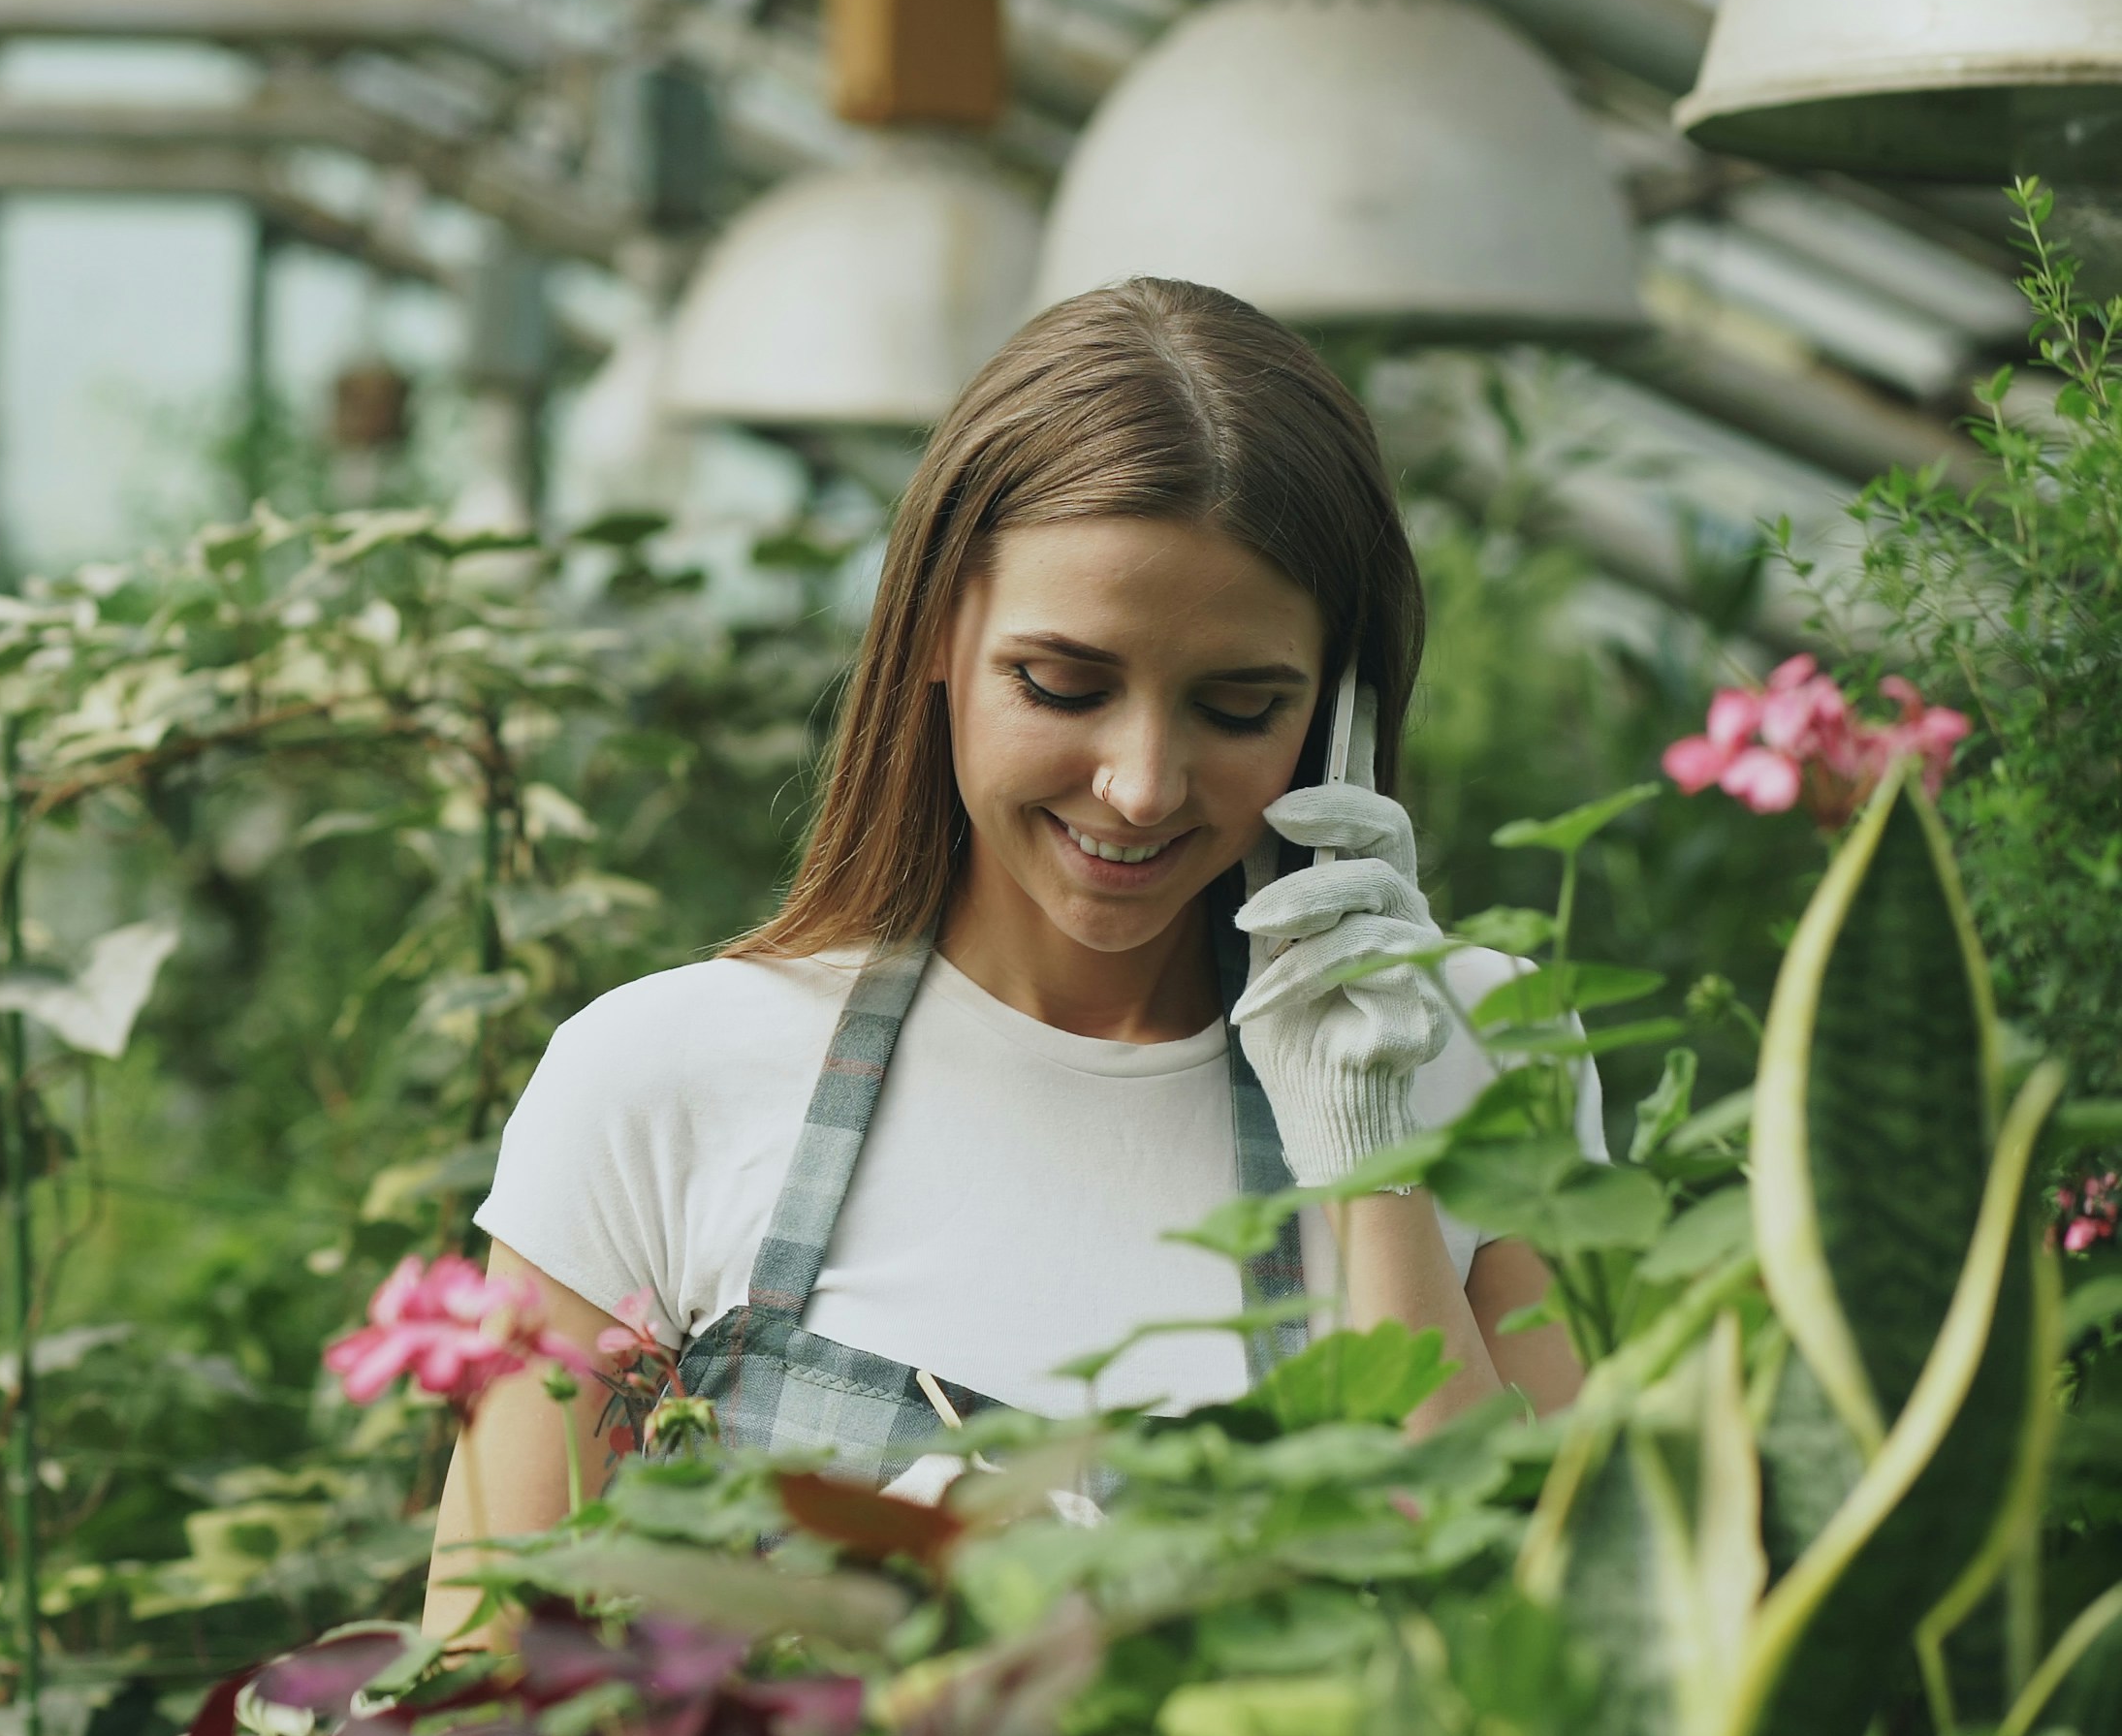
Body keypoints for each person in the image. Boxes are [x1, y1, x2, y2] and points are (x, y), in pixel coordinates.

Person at [427, 279, 1598, 1633]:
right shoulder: (663, 1078)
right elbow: (476, 1708)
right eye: (1064, 685)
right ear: (936, 632)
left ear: (1339, 711)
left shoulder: (1473, 1050)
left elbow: (1538, 1664)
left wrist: (1370, 1159)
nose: (1143, 783)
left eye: (1239, 705)